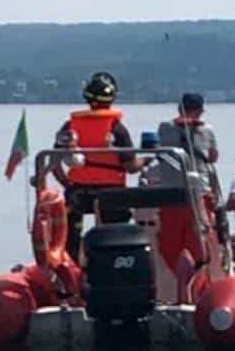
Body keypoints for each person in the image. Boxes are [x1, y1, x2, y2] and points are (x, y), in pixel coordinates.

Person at [48, 72, 143, 263]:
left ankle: (72, 269)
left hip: (78, 191)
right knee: (117, 237)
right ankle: (115, 265)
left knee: (70, 238)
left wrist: (67, 183)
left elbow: (54, 163)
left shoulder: (70, 126)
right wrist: (146, 161)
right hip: (113, 193)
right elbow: (131, 166)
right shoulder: (117, 128)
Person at [150, 93, 220, 271]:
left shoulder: (164, 128)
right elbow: (213, 157)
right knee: (200, 240)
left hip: (171, 194)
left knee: (170, 241)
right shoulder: (207, 130)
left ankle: (179, 276)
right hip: (199, 193)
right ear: (200, 110)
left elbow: (158, 152)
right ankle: (198, 279)